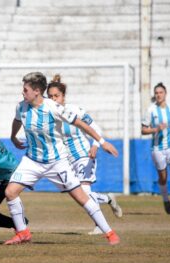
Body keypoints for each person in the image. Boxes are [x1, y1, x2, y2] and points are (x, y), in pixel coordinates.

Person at [4, 72, 120, 245]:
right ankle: (23, 233)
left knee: (82, 197)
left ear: (36, 91)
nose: (23, 92)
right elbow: (16, 120)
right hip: (32, 160)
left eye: (25, 89)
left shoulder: (53, 107)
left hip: (56, 162)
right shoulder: (21, 107)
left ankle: (110, 233)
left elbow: (80, 123)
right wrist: (13, 136)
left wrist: (101, 142)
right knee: (10, 192)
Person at [47, 74, 123, 235]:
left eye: (56, 96)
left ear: (63, 96)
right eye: (50, 96)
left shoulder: (75, 111)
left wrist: (96, 146)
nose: (54, 99)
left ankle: (100, 226)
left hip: (84, 155)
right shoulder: (48, 114)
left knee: (85, 193)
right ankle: (108, 198)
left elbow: (95, 128)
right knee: (78, 194)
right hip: (66, 161)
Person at [141, 82, 170, 215]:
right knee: (163, 178)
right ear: (154, 95)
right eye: (156, 93)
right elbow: (143, 130)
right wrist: (156, 129)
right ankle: (166, 200)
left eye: (160, 92)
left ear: (165, 94)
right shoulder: (150, 110)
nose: (158, 95)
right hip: (158, 148)